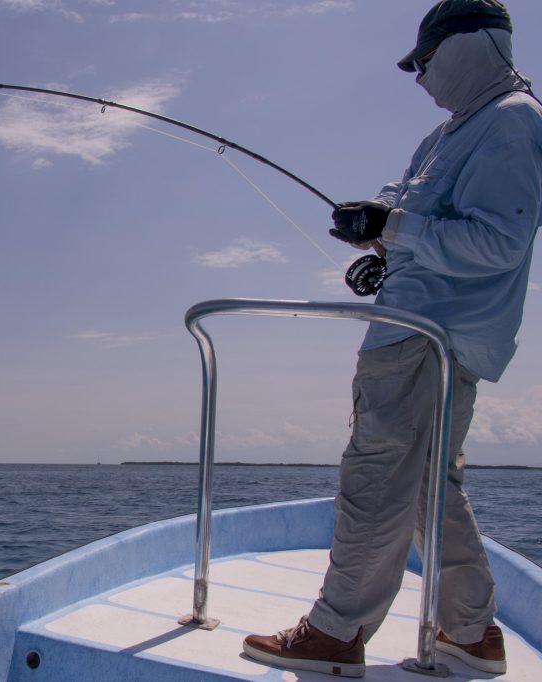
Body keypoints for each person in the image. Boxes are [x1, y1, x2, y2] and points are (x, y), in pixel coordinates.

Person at [241, 0, 542, 678]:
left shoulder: (512, 124)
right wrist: (378, 239)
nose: (418, 78)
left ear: (468, 47)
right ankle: (471, 632)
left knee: (375, 480)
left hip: (423, 340)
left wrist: (396, 231)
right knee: (432, 490)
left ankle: (337, 632)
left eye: (424, 61)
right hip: (418, 334)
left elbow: (498, 242)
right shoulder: (446, 137)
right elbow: (408, 217)